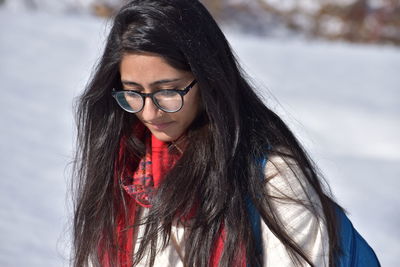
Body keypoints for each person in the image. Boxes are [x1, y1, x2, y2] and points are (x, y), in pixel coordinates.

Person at [72, 0, 380, 266]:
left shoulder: (271, 177)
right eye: (133, 92)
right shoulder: (127, 171)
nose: (150, 112)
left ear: (208, 80)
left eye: (167, 91)